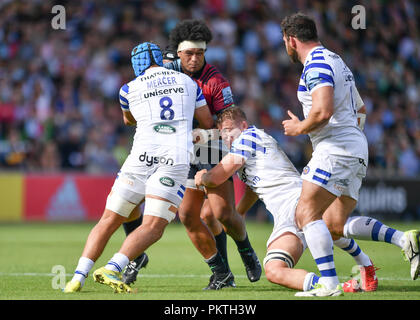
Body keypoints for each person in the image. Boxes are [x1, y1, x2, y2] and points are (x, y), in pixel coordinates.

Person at [194, 106, 420, 296]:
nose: (226, 137)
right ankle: (353, 274)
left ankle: (346, 276)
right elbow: (257, 186)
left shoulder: (249, 137)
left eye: (228, 130)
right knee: (285, 261)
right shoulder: (251, 144)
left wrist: (202, 177)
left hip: (295, 201)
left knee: (333, 226)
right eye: (222, 133)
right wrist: (241, 210)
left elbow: (217, 177)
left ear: (243, 126)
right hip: (287, 212)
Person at [63, 41, 216, 293]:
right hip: (173, 159)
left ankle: (77, 278)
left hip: (140, 158)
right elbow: (207, 121)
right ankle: (113, 267)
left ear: (136, 65)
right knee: (153, 225)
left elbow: (127, 119)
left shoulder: (128, 89)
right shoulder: (188, 82)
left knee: (108, 220)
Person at [121, 19, 261, 290]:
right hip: (180, 150)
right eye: (189, 54)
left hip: (210, 147)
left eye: (200, 53)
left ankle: (246, 250)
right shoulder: (167, 71)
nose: (195, 59)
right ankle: (222, 273)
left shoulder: (216, 81)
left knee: (220, 213)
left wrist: (216, 134)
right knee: (188, 215)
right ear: (178, 53)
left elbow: (226, 117)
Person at [276, 12, 371, 295]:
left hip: (336, 148)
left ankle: (329, 284)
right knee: (332, 223)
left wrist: (299, 128)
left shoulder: (316, 64)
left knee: (306, 212)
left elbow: (323, 111)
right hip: (351, 146)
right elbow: (361, 109)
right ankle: (397, 244)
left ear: (291, 40)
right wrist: (352, 140)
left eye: (284, 42)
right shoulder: (336, 60)